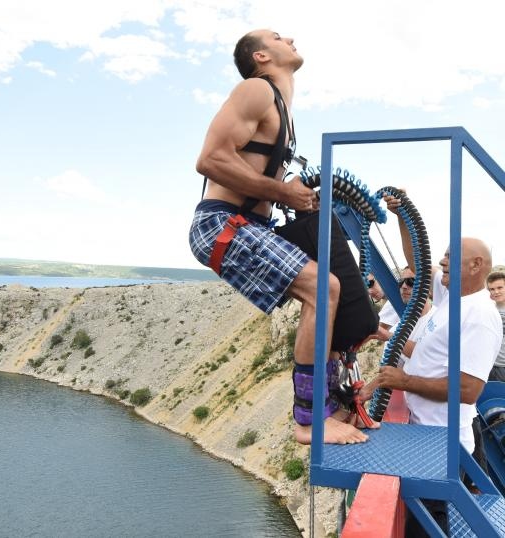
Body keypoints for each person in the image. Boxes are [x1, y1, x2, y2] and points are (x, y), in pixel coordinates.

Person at [189, 29, 375, 445]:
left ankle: (331, 406)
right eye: (277, 36)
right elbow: (210, 159)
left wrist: (288, 188)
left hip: (246, 224)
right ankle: (309, 421)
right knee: (322, 289)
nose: (289, 37)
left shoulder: (281, 109)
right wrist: (282, 191)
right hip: (221, 224)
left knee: (335, 296)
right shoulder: (255, 89)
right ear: (261, 55)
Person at [361, 197, 502, 536]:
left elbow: (469, 390)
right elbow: (421, 265)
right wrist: (401, 218)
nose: (443, 260)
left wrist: (405, 381)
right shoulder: (454, 298)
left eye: (451, 256)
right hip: (430, 434)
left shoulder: (479, 316)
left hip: (444, 444)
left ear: (475, 265)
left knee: (431, 525)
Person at [487, 271, 505, 381]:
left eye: (500, 288)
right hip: (490, 366)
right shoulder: (489, 310)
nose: (496, 292)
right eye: (492, 289)